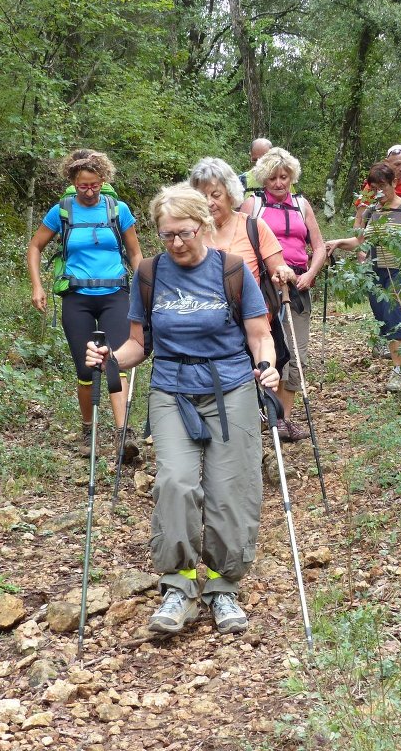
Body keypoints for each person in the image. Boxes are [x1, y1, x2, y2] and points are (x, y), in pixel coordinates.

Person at [85, 184, 279, 636]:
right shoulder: (150, 274)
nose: (176, 243)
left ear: (204, 226)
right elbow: (138, 344)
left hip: (229, 388)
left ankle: (224, 587)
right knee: (174, 481)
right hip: (172, 389)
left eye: (184, 233)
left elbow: (258, 334)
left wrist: (266, 366)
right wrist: (109, 357)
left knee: (231, 490)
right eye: (167, 235)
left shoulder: (232, 270)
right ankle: (179, 584)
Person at [27, 150, 143, 460]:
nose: (88, 192)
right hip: (76, 297)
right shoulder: (62, 211)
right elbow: (36, 246)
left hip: (115, 293)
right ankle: (88, 429)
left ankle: (123, 435)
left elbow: (135, 253)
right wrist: (37, 285)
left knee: (116, 361)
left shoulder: (118, 209)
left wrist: (145, 288)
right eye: (82, 186)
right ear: (73, 183)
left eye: (94, 185)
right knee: (85, 368)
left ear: (103, 181)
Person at [240, 147, 327, 441]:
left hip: (297, 287)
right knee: (267, 351)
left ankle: (283, 420)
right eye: (273, 178)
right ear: (264, 178)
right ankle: (264, 415)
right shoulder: (253, 204)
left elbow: (320, 246)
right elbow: (239, 242)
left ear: (292, 177)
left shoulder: (302, 205)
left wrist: (310, 275)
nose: (279, 183)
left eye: (284, 177)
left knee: (295, 354)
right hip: (262, 288)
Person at [326, 161, 401, 392]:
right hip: (377, 273)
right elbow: (360, 242)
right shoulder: (372, 211)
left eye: (382, 186)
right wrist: (337, 243)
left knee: (394, 316)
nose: (378, 193)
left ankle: (400, 372)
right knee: (385, 321)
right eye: (373, 188)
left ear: (394, 183)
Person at [189, 156, 296, 293]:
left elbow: (283, 274)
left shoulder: (254, 227)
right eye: (202, 197)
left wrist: (284, 272)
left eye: (216, 195)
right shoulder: (190, 232)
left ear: (230, 193)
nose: (209, 203)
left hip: (250, 313)